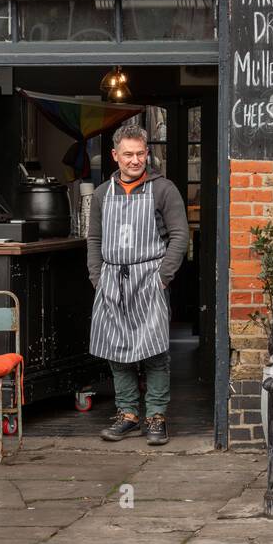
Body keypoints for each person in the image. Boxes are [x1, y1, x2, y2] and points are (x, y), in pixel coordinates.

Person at [86, 122, 189, 446]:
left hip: (149, 280)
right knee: (117, 352)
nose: (135, 160)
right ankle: (127, 414)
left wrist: (162, 277)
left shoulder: (163, 189)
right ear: (115, 155)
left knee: (155, 352)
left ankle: (155, 416)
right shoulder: (103, 194)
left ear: (147, 154)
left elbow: (180, 236)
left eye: (140, 153)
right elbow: (94, 239)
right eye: (128, 154)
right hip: (112, 280)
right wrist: (97, 277)